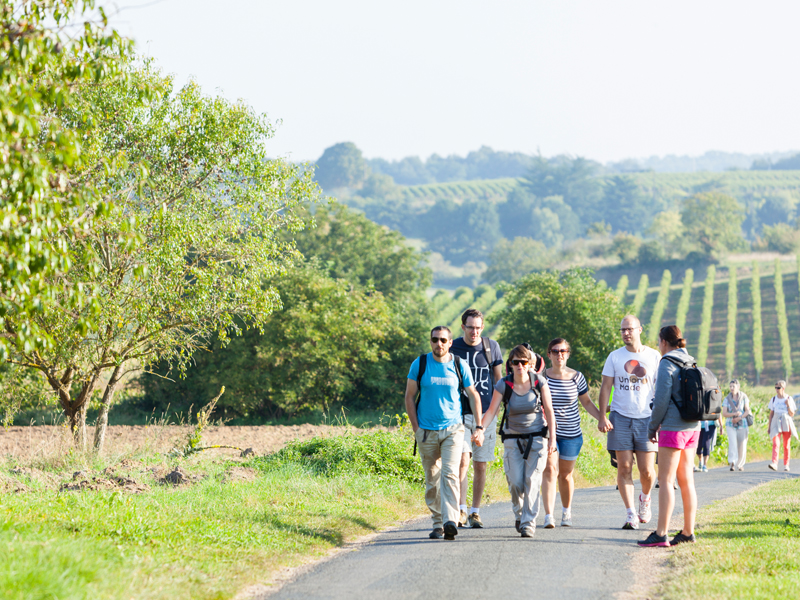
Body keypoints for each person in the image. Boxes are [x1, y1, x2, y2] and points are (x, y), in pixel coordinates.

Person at [404, 326, 484, 540]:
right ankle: (438, 523)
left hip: (453, 429)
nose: (438, 344)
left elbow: (473, 395)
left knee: (450, 474)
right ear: (430, 342)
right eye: (434, 340)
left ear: (450, 343)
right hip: (426, 431)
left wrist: (479, 426)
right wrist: (416, 428)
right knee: (432, 480)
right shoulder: (420, 364)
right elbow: (409, 397)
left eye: (443, 340)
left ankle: (451, 520)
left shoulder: (459, 365)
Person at [482, 345, 557, 538]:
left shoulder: (539, 382)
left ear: (530, 364)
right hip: (512, 437)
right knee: (516, 482)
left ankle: (528, 523)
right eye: (516, 362)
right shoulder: (504, 385)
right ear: (511, 365)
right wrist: (480, 429)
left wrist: (552, 440)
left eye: (524, 362)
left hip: (537, 436)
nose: (520, 366)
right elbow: (491, 411)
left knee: (532, 480)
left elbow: (549, 411)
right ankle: (519, 512)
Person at [638, 325, 699, 547]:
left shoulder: (667, 362)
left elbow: (661, 400)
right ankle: (687, 532)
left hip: (673, 428)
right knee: (686, 480)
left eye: (658, 341)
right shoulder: (690, 360)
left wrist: (652, 427)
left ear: (664, 342)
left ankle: (661, 533)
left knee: (666, 480)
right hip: (693, 427)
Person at [598, 315, 660, 530]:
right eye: (622, 330)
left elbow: (660, 389)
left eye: (629, 329)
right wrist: (602, 416)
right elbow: (606, 387)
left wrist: (660, 418)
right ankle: (630, 513)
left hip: (647, 419)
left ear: (639, 330)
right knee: (624, 468)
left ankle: (645, 498)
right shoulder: (614, 357)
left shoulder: (654, 356)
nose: (625, 333)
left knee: (647, 471)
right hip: (620, 417)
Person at [450, 308, 503, 529]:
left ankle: (475, 512)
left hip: (486, 416)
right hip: (460, 414)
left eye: (478, 328)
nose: (474, 332)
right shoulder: (452, 348)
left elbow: (499, 382)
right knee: (463, 461)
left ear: (482, 327)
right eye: (470, 327)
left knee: (480, 465)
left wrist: (496, 412)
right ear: (463, 327)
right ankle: (461, 510)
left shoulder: (491, 347)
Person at [541, 338, 602, 528]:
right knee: (550, 470)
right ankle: (548, 515)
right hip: (548, 433)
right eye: (555, 351)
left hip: (571, 433)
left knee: (565, 475)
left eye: (563, 351)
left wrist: (602, 418)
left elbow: (586, 402)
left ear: (568, 354)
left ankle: (566, 512)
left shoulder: (577, 377)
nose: (559, 354)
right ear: (549, 354)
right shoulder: (542, 377)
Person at [768, 380, 797, 472]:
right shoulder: (773, 399)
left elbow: (792, 414)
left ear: (783, 388)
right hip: (776, 421)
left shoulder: (789, 398)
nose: (777, 389)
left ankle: (786, 464)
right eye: (775, 387)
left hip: (786, 421)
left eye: (779, 388)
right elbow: (771, 414)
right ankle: (774, 463)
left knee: (786, 445)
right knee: (776, 443)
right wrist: (769, 427)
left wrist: (788, 406)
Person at [722, 379, 750, 471]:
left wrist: (739, 417)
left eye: (733, 386)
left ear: (738, 387)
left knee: (742, 444)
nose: (731, 388)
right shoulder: (727, 399)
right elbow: (724, 413)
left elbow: (747, 410)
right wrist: (733, 415)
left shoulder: (744, 396)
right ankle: (732, 462)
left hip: (742, 423)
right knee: (733, 443)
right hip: (730, 423)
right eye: (730, 386)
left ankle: (740, 464)